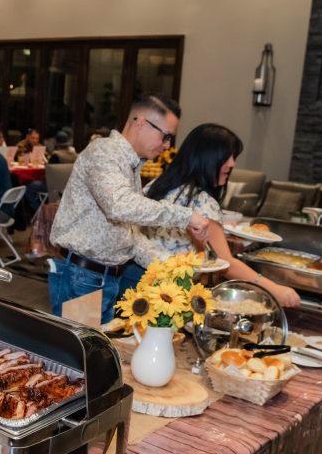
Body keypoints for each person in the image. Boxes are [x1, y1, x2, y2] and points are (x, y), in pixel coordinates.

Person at [48, 94, 210, 323]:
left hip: (103, 278)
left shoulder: (129, 164)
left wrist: (168, 266)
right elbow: (119, 206)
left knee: (93, 354)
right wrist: (185, 216)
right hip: (81, 277)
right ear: (141, 123)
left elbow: (129, 234)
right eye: (166, 136)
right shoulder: (103, 152)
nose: (167, 145)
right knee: (77, 356)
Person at [131, 123, 301, 307]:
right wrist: (275, 290)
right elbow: (226, 263)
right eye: (227, 157)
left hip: (138, 285)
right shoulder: (202, 201)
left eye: (233, 157)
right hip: (171, 296)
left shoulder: (158, 184)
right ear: (207, 157)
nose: (232, 164)